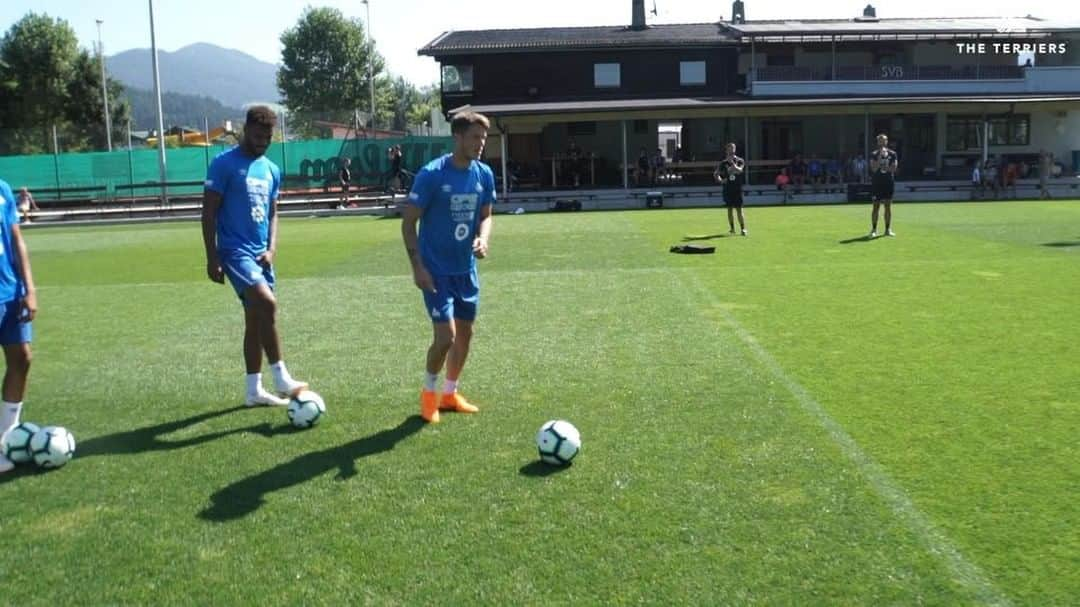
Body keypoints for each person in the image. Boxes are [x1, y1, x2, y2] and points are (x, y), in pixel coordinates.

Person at [201, 105, 308, 408]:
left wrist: (272, 249)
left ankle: (254, 390)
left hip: (261, 255)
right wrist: (212, 256)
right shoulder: (223, 164)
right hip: (235, 252)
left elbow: (274, 213)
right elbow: (208, 212)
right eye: (258, 136)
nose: (262, 142)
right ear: (245, 130)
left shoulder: (272, 170)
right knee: (267, 303)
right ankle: (281, 376)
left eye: (268, 137)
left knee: (255, 319)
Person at [402, 111, 495, 424]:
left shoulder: (483, 174)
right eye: (474, 137)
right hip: (435, 271)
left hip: (465, 270)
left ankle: (450, 394)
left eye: (483, 138)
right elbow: (408, 223)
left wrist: (483, 239)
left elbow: (486, 215)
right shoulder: (432, 174)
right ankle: (429, 394)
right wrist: (417, 267)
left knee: (465, 336)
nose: (480, 144)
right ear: (457, 137)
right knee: (446, 338)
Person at [0, 178, 38, 474]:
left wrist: (29, 288)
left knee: (22, 358)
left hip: (10, 292)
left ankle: (5, 439)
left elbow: (16, 239)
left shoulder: (2, 189)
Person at [868, 133, 898, 237]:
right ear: (877, 142)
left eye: (884, 140)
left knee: (888, 206)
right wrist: (880, 158)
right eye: (880, 141)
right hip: (877, 182)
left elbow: (894, 168)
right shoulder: (874, 154)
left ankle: (887, 229)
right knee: (876, 207)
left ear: (887, 141)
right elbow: (874, 168)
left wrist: (886, 168)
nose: (882, 142)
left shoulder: (893, 154)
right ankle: (874, 230)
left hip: (888, 182)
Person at [714, 142, 747, 235]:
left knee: (739, 210)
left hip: (737, 189)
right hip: (727, 189)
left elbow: (740, 170)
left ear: (735, 149)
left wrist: (733, 164)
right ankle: (732, 229)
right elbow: (716, 174)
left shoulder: (740, 160)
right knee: (729, 210)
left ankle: (743, 229)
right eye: (729, 148)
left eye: (733, 148)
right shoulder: (723, 163)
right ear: (726, 150)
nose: (731, 150)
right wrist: (721, 180)